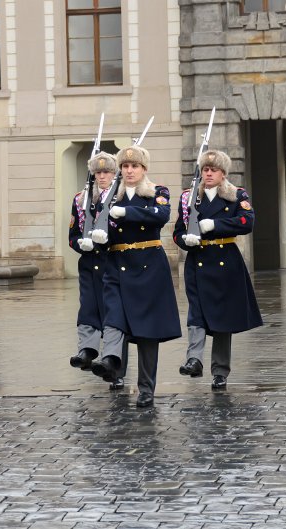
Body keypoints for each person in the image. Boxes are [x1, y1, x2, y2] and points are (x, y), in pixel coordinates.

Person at [89, 145, 181, 407]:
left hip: (148, 266)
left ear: (144, 169)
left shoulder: (156, 192)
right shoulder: (107, 197)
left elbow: (161, 216)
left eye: (135, 166)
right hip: (117, 264)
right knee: (113, 317)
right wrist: (99, 238)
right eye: (125, 166)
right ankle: (111, 362)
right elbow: (98, 228)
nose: (129, 170)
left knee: (146, 332)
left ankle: (146, 388)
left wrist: (126, 212)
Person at [173, 150, 263, 389]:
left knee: (223, 319)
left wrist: (216, 224)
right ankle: (194, 359)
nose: (209, 173)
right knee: (196, 312)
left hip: (225, 260)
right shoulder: (190, 198)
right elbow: (177, 231)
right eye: (205, 169)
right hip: (198, 260)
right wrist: (186, 240)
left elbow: (247, 222)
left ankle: (220, 371)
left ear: (223, 173)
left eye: (214, 170)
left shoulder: (235, 195)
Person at [67, 152, 127, 389]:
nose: (102, 176)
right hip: (90, 264)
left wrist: (107, 240)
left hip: (113, 261)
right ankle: (87, 350)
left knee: (114, 315)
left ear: (114, 174)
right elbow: (72, 234)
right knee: (89, 310)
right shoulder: (81, 199)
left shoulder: (122, 198)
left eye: (107, 172)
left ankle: (114, 366)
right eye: (98, 172)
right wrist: (80, 244)